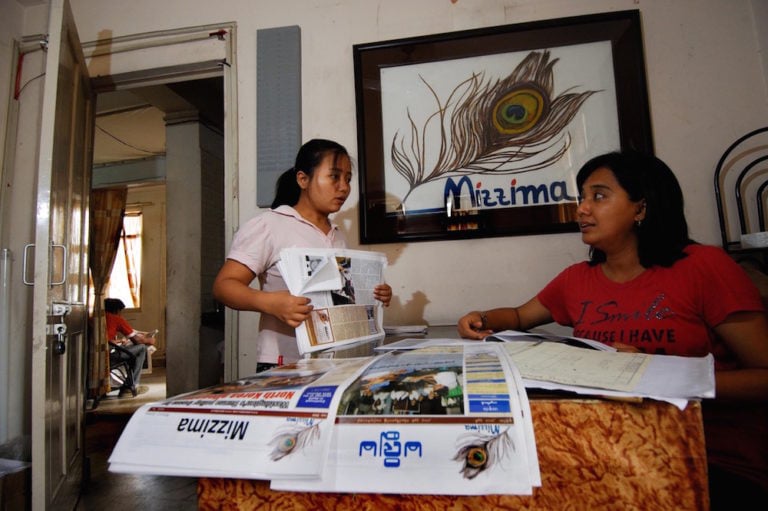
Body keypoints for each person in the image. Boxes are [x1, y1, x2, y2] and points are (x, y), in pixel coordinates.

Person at [457, 151, 768, 507]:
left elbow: (764, 377)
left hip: (707, 453)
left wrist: (655, 373)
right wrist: (482, 318)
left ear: (641, 208)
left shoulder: (705, 266)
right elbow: (517, 316)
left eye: (599, 196)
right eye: (582, 198)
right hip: (602, 448)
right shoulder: (577, 279)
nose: (582, 209)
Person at [212, 138, 392, 373]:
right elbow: (224, 286)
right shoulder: (269, 225)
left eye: (348, 179)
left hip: (335, 360)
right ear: (303, 179)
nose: (344, 187)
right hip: (284, 360)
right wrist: (271, 303)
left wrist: (375, 294)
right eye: (334, 176)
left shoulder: (337, 236)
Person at [104, 297, 156, 396]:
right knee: (141, 348)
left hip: (98, 357)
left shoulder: (96, 319)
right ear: (117, 310)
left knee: (131, 351)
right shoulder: (116, 319)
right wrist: (149, 340)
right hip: (110, 357)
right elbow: (136, 340)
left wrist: (120, 341)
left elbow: (106, 340)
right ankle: (131, 386)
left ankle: (128, 384)